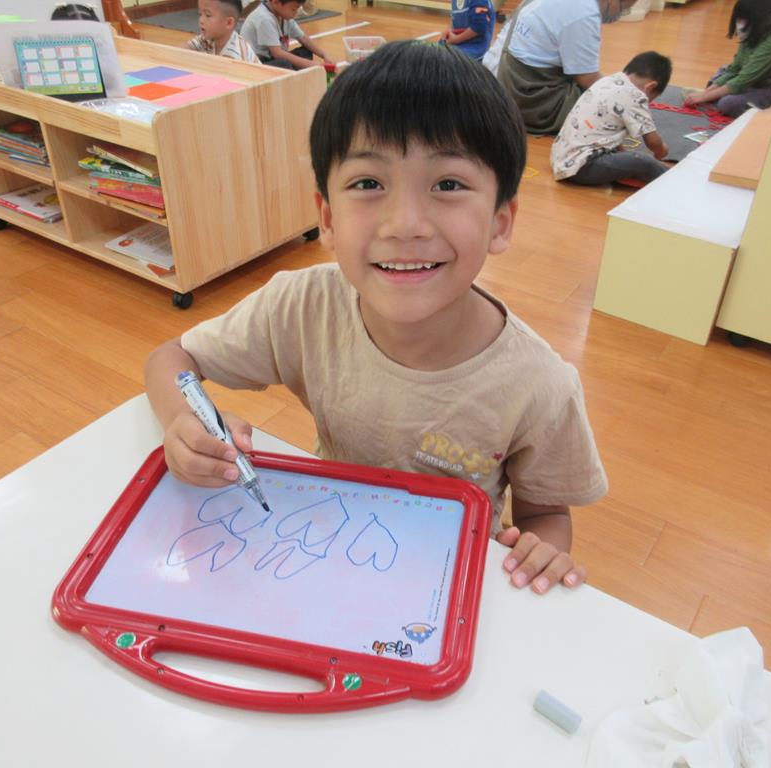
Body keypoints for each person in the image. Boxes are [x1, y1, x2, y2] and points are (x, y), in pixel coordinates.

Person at [144, 42, 608, 596]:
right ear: (327, 218)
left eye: (448, 184)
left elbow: (545, 514)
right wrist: (183, 420)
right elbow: (170, 357)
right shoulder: (301, 305)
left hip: (446, 581)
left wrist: (542, 550)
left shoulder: (540, 385)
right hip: (327, 550)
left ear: (500, 222)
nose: (404, 224)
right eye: (368, 184)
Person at [483, 0, 638, 135]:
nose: (620, 15)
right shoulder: (584, 12)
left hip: (507, 80)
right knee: (611, 110)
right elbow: (588, 79)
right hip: (529, 99)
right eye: (624, 8)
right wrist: (624, 92)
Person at [551, 51, 672, 186]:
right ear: (650, 87)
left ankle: (624, 173)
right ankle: (673, 182)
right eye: (652, 98)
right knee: (644, 161)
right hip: (583, 167)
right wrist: (662, 151)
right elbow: (653, 143)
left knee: (630, 159)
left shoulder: (606, 81)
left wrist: (622, 155)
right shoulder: (635, 97)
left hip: (562, 158)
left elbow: (608, 132)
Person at [682, 0, 771, 117]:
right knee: (722, 75)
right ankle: (719, 95)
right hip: (748, 81)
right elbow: (734, 70)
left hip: (768, 88)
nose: (740, 23)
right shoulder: (753, 34)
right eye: (739, 18)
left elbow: (742, 81)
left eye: (745, 19)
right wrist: (705, 93)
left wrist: (703, 97)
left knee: (728, 103)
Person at [241, 0, 330, 70]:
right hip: (256, 65)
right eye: (293, 9)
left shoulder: (284, 15)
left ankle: (294, 74)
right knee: (284, 64)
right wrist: (311, 64)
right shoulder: (264, 18)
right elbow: (277, 53)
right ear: (276, 2)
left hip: (272, 60)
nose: (296, 13)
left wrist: (325, 55)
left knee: (305, 52)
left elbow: (303, 39)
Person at [186, 0, 261, 63]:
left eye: (208, 15)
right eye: (200, 14)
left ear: (229, 23)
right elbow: (185, 49)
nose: (201, 20)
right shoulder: (209, 38)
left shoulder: (234, 55)